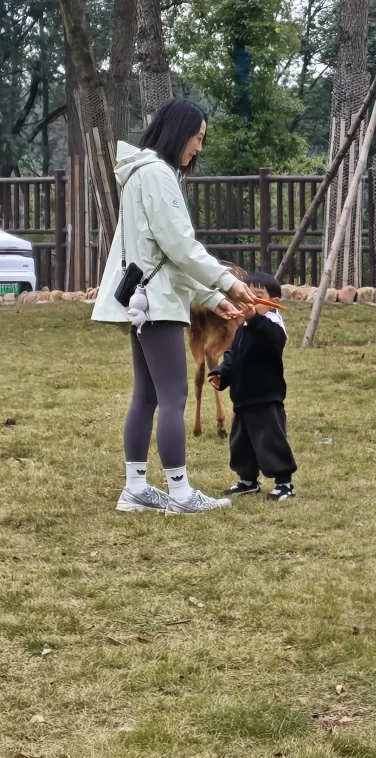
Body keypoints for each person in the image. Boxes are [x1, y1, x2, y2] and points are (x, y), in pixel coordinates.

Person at [92, 99, 255, 514]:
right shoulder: (158, 175)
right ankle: (180, 494)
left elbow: (165, 256)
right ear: (179, 131)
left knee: (146, 395)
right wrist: (227, 282)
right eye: (198, 138)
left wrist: (216, 299)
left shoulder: (139, 175)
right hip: (157, 303)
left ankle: (136, 489)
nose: (198, 148)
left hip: (144, 299)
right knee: (172, 395)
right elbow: (181, 248)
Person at [209, 270, 297, 502]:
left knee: (270, 441)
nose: (248, 301)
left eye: (256, 295)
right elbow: (233, 356)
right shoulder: (244, 328)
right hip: (243, 398)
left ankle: (284, 482)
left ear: (273, 303)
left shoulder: (272, 326)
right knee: (241, 443)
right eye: (246, 295)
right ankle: (247, 479)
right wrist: (222, 373)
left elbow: (271, 343)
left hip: (266, 397)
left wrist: (254, 319)